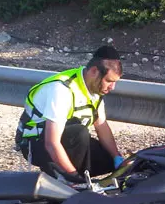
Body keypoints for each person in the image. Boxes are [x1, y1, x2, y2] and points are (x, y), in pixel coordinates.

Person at [15, 46, 125, 180]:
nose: (112, 87)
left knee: (108, 158)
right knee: (79, 133)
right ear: (94, 71)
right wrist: (73, 176)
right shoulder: (62, 89)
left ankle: (77, 178)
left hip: (66, 139)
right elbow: (51, 143)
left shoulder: (95, 88)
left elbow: (102, 126)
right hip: (35, 144)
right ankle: (62, 179)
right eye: (109, 81)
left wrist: (118, 159)